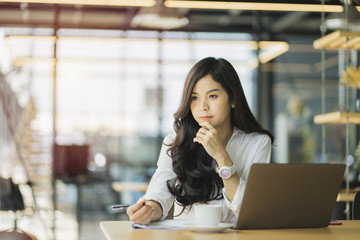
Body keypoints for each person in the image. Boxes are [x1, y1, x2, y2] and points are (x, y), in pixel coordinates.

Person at [127, 57, 274, 225]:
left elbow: (248, 207)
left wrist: (220, 155)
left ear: (233, 98)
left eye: (212, 96)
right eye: (194, 98)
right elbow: (159, 193)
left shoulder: (258, 143)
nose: (203, 106)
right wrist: (149, 209)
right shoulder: (175, 142)